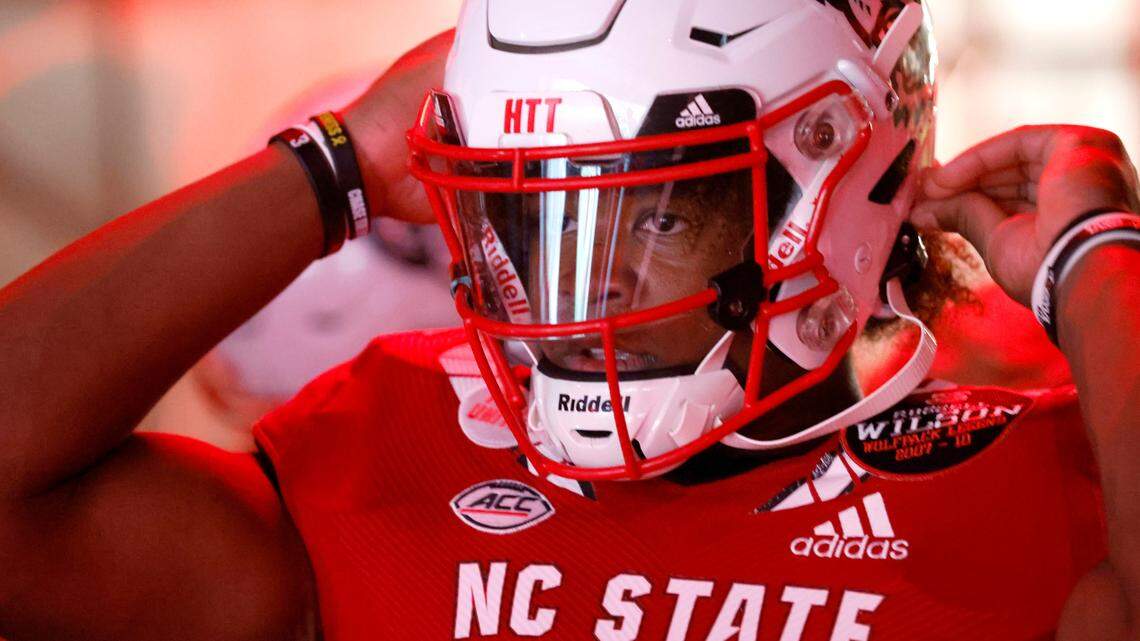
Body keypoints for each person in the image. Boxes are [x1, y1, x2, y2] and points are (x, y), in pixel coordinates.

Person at [0, 2, 1137, 641]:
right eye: (532, 213)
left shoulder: (1038, 487)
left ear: (833, 179)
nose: (575, 283)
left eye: (657, 212)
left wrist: (1098, 269)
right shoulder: (388, 449)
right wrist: (335, 164)